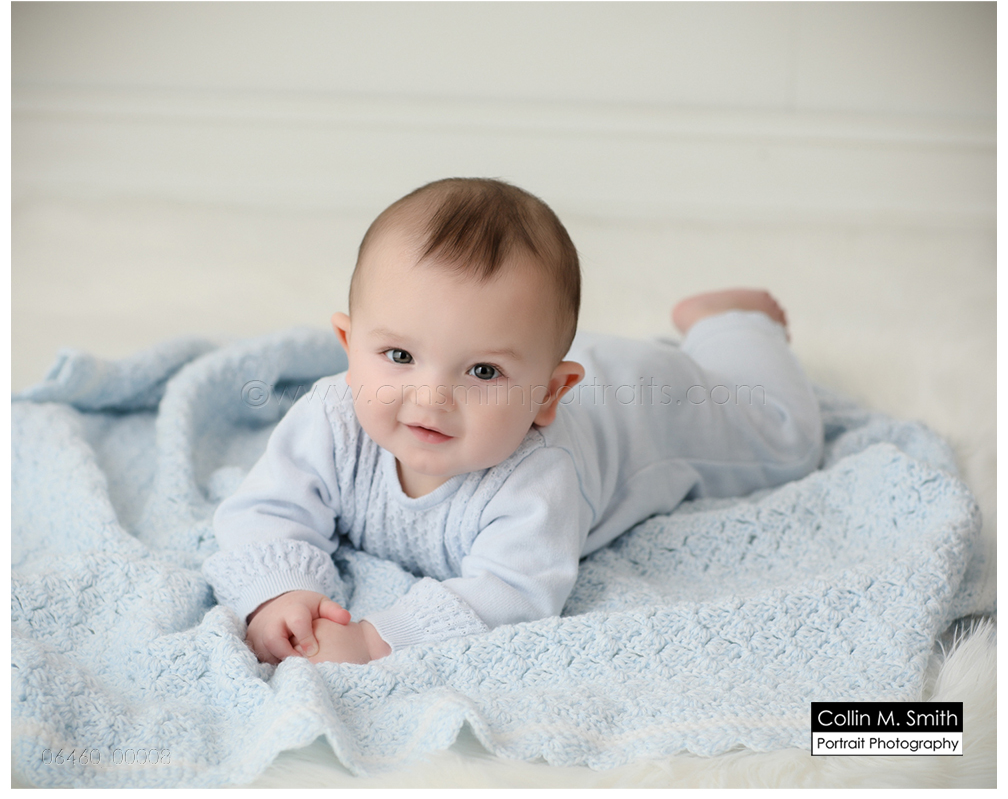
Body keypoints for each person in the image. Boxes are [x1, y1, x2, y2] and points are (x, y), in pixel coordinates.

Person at [202, 177, 823, 666]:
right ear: (348, 344)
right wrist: (281, 591)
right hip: (556, 358)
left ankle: (727, 322)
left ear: (549, 396)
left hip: (648, 402)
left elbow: (512, 594)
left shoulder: (538, 476)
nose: (431, 398)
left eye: (482, 372)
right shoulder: (330, 418)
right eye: (399, 356)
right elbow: (266, 508)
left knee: (787, 440)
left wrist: (375, 639)